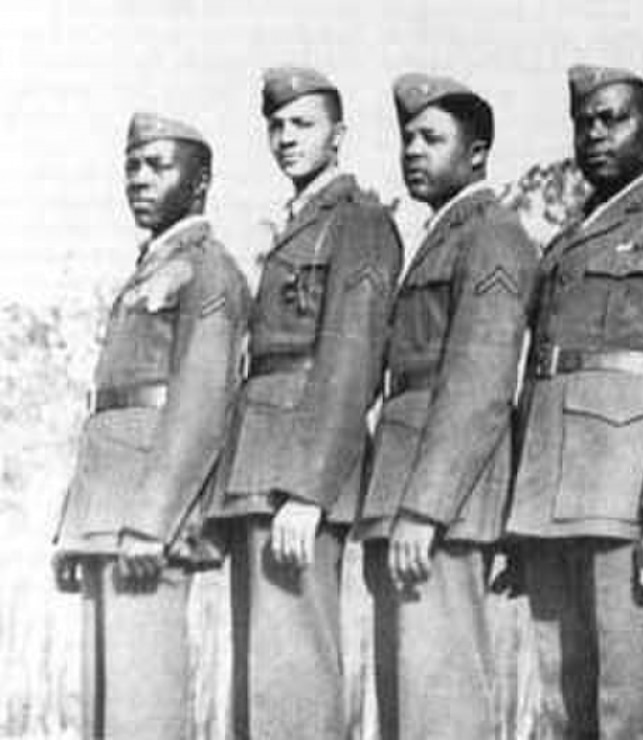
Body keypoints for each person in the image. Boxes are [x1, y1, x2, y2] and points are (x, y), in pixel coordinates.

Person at [505, 64, 643, 738]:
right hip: (549, 495)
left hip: (627, 497)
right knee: (560, 702)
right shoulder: (564, 243)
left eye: (614, 119)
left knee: (630, 706)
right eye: (585, 121)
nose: (596, 134)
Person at [208, 66, 402, 739]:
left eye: (303, 124)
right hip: (256, 465)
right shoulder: (292, 225)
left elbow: (353, 362)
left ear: (339, 135)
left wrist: (310, 491)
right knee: (259, 679)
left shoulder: (360, 223)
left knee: (293, 677)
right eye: (277, 125)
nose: (286, 138)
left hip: (297, 472)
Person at [52, 112, 249, 739]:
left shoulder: (207, 268)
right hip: (105, 520)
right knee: (106, 719)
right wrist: (72, 527)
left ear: (201, 180)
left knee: (145, 715)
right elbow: (109, 410)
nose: (139, 178)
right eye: (132, 165)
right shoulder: (147, 269)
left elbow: (200, 403)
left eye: (159, 165)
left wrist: (152, 522)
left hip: (143, 523)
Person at [353, 72, 537, 740]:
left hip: (439, 506)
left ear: (478, 151)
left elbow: (481, 387)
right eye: (406, 137)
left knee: (442, 702)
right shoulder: (440, 235)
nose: (412, 150)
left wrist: (425, 509)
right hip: (401, 489)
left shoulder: (490, 234)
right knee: (407, 704)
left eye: (431, 137)